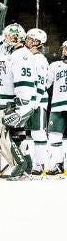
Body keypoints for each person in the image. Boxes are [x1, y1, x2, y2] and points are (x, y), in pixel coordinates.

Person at [0, 23, 37, 180]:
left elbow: (24, 82)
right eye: (7, 35)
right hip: (11, 101)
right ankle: (27, 168)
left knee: (2, 136)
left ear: (19, 37)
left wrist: (21, 107)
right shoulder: (11, 53)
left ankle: (20, 166)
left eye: (12, 35)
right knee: (17, 137)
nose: (8, 38)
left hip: (14, 103)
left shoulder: (22, 55)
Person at [25, 28, 49, 177]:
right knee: (20, 133)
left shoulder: (40, 60)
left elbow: (42, 84)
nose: (27, 40)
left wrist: (35, 101)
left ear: (37, 42)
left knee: (38, 133)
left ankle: (39, 163)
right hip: (25, 100)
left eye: (30, 38)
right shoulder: (24, 56)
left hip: (37, 102)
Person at [45, 41, 67, 176]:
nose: (64, 50)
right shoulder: (54, 65)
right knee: (53, 136)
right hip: (58, 105)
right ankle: (59, 163)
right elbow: (46, 83)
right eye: (64, 48)